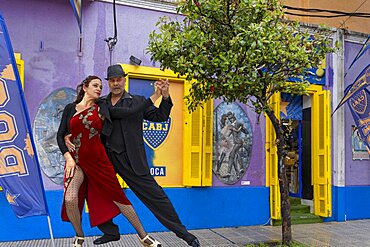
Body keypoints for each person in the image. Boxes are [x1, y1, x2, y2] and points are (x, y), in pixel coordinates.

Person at [65, 65, 201, 247]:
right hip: (105, 158)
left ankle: (184, 234)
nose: (115, 83)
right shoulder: (101, 103)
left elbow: (160, 116)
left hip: (132, 160)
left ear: (124, 80)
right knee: (94, 191)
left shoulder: (137, 100)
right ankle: (111, 232)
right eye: (112, 80)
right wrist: (68, 136)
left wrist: (165, 96)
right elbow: (82, 122)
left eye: (118, 79)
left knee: (156, 196)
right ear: (109, 83)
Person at [57, 75, 163, 247]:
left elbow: (131, 112)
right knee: (70, 199)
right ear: (85, 87)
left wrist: (156, 95)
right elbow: (60, 135)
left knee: (119, 198)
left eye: (100, 86)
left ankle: (144, 237)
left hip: (99, 161)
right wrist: (68, 157)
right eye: (95, 85)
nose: (99, 89)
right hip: (76, 162)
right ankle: (79, 236)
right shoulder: (71, 108)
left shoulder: (102, 107)